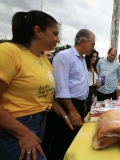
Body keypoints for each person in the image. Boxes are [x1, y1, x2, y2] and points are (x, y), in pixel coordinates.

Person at [0, 10, 73, 160]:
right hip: (14, 127)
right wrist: (24, 134)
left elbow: (46, 97)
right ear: (38, 31)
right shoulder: (9, 52)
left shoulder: (45, 61)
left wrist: (65, 115)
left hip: (40, 123)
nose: (58, 39)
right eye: (54, 34)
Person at [47, 29, 95, 160]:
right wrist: (72, 111)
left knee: (73, 143)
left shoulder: (81, 59)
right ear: (83, 42)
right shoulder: (64, 56)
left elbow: (79, 84)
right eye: (93, 44)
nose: (93, 47)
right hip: (66, 105)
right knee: (62, 144)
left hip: (78, 104)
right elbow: (61, 89)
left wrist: (83, 103)